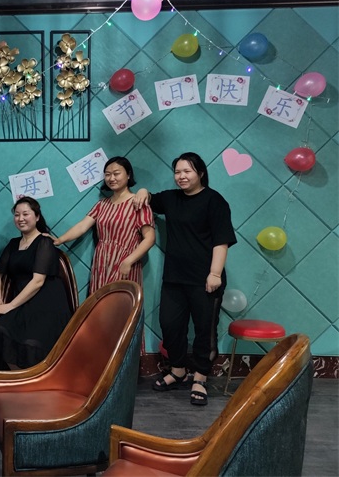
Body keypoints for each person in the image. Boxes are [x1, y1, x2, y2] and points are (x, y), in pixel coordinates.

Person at [134, 152, 236, 407]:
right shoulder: (171, 198)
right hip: (174, 278)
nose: (181, 176)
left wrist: (214, 274)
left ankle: (200, 377)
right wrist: (143, 190)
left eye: (187, 171)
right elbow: (150, 199)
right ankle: (178, 370)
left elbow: (221, 241)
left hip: (205, 279)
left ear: (200, 173)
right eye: (177, 172)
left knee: (205, 329)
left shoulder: (215, 201)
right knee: (169, 324)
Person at [0, 197, 72, 369]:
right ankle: (18, 378)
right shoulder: (13, 244)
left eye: (25, 214)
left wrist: (10, 306)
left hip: (47, 302)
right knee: (2, 330)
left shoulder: (44, 242)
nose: (20, 218)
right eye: (17, 215)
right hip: (21, 300)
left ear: (37, 217)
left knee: (31, 341)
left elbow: (38, 281)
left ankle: (33, 379)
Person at [53, 156, 155, 294]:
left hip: (125, 263)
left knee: (120, 303)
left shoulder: (138, 203)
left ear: (128, 175)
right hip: (101, 262)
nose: (111, 178)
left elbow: (150, 238)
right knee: (99, 303)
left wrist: (129, 261)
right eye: (107, 174)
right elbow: (82, 226)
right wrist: (59, 240)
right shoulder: (102, 204)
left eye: (116, 173)